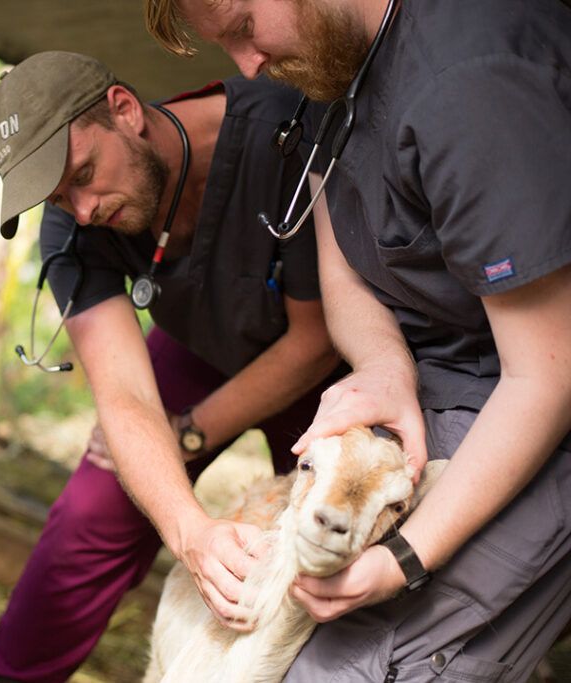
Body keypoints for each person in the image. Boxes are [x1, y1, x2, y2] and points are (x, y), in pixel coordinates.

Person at [144, 0, 571, 680]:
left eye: (245, 29)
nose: (248, 68)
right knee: (258, 631)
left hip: (534, 400)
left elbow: (547, 378)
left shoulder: (471, 84)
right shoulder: (330, 70)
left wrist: (404, 558)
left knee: (335, 665)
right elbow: (342, 270)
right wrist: (382, 365)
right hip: (433, 380)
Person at [0, 50, 342, 682]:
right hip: (200, 346)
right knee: (96, 506)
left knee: (328, 543)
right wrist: (190, 533)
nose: (84, 209)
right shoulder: (73, 229)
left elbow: (317, 340)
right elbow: (124, 398)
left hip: (326, 371)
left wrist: (191, 432)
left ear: (124, 111)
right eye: (60, 197)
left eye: (84, 173)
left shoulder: (286, 136)